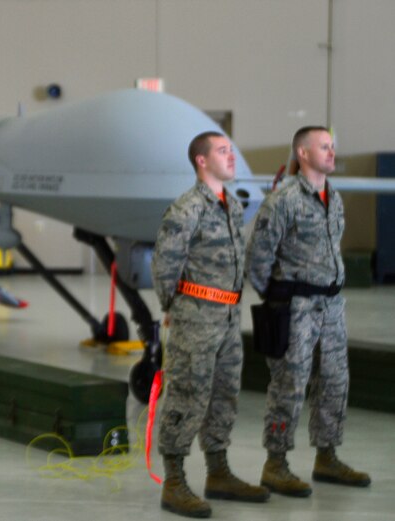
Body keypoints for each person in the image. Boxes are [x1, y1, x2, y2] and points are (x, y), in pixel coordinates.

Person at [245, 126, 371, 497]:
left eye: (333, 147)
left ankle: (327, 456)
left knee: (334, 382)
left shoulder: (334, 197)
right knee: (289, 385)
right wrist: (278, 296)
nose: (332, 153)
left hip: (331, 306)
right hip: (295, 306)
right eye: (324, 147)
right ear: (302, 153)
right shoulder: (283, 200)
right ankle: (276, 463)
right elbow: (258, 258)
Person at [152, 131, 269, 518]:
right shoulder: (187, 208)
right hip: (196, 318)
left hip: (229, 318)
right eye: (222, 151)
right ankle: (173, 481)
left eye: (231, 150)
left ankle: (218, 473)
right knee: (187, 396)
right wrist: (175, 306)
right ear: (202, 161)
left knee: (224, 396)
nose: (231, 156)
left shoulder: (231, 206)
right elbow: (165, 266)